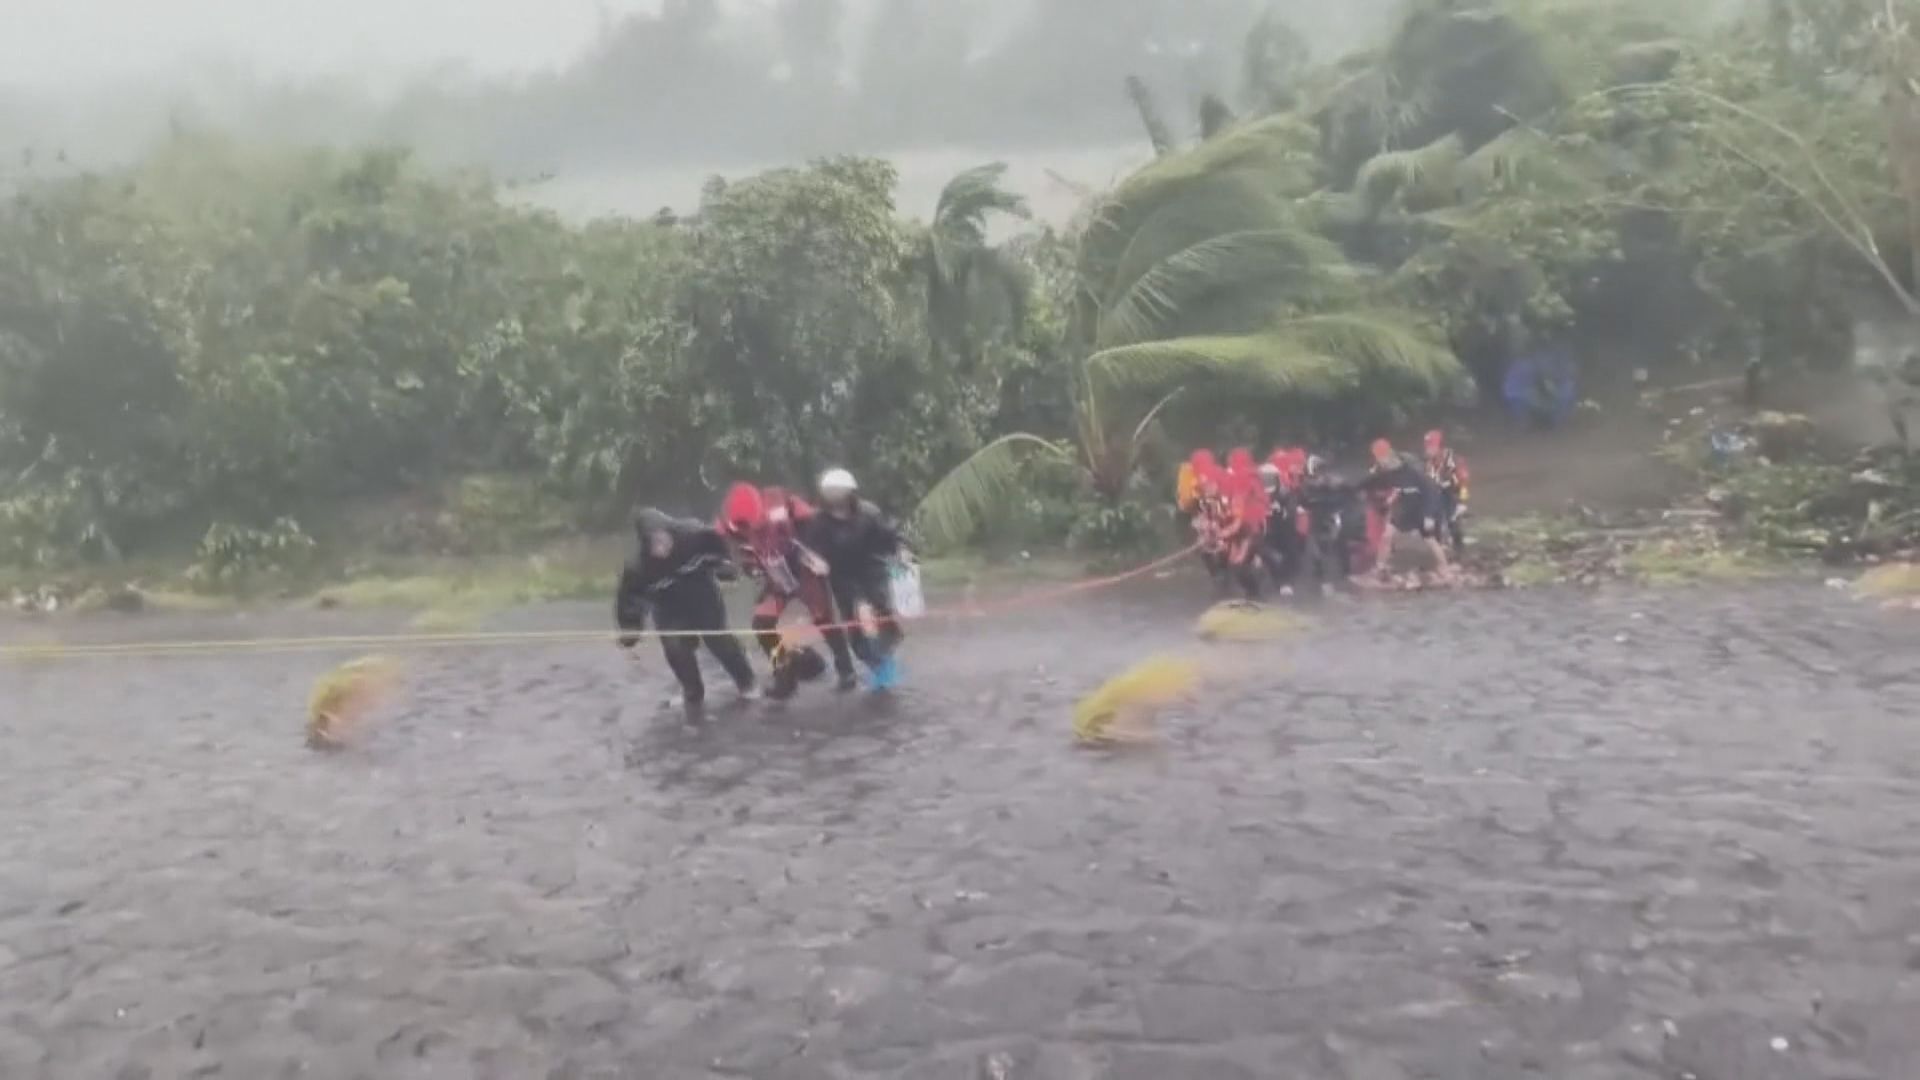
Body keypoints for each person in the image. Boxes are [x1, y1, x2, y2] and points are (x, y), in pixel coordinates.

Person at [717, 482, 860, 699]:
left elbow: (819, 524)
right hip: (775, 576)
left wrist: (821, 555)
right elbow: (732, 551)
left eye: (750, 525)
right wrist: (747, 567)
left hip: (805, 571)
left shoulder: (785, 504)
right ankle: (784, 676)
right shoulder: (728, 525)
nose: (747, 531)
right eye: (741, 528)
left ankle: (846, 671)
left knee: (823, 618)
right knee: (762, 624)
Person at [615, 507, 759, 712]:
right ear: (645, 544)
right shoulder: (638, 568)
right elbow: (629, 600)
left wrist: (727, 567)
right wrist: (630, 628)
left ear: (669, 532)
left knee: (718, 640)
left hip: (703, 596)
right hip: (668, 608)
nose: (661, 545)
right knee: (675, 648)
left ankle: (747, 683)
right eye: (654, 543)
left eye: (663, 538)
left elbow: (723, 545)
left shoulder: (693, 534)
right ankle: (692, 692)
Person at [806, 468, 908, 689]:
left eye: (838, 492)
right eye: (829, 492)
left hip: (871, 572)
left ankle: (885, 665)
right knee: (857, 638)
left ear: (850, 493)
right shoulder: (819, 521)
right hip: (842, 578)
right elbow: (810, 550)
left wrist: (900, 552)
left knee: (870, 616)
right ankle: (879, 665)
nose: (834, 497)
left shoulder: (868, 513)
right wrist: (816, 561)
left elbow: (890, 537)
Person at [1361, 438, 1451, 579]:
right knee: (1387, 536)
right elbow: (1370, 482)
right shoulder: (1384, 472)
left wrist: (1429, 515)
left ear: (1390, 455)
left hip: (1420, 507)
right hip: (1404, 507)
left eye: (1382, 459)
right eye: (1378, 459)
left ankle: (1444, 568)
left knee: (1430, 539)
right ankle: (1380, 567)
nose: (1381, 463)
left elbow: (1431, 492)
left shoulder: (1413, 470)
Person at [1422, 429, 1470, 557]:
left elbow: (1464, 483)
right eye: (1426, 447)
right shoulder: (1429, 464)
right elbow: (1429, 487)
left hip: (1453, 493)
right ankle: (1440, 553)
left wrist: (1462, 502)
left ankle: (1460, 550)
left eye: (1431, 447)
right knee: (1435, 523)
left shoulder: (1454, 460)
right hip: (1439, 492)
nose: (1427, 450)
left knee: (1453, 521)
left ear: (1440, 447)